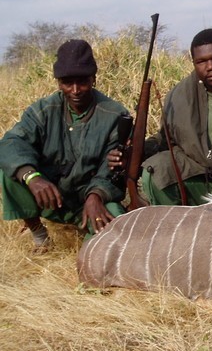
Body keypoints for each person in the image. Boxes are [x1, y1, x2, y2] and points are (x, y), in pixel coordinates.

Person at [109, 28, 212, 205]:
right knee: (156, 169)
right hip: (196, 172)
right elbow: (164, 139)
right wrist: (133, 153)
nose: (210, 67)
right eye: (201, 61)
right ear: (194, 63)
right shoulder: (179, 95)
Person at [0, 39, 128, 251]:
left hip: (90, 197)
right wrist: (32, 177)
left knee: (115, 218)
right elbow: (11, 143)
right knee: (11, 172)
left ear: (93, 79)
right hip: (51, 196)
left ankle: (91, 251)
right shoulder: (43, 110)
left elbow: (113, 168)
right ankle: (40, 237)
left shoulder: (115, 114)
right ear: (59, 83)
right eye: (68, 82)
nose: (76, 90)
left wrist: (96, 194)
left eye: (83, 82)